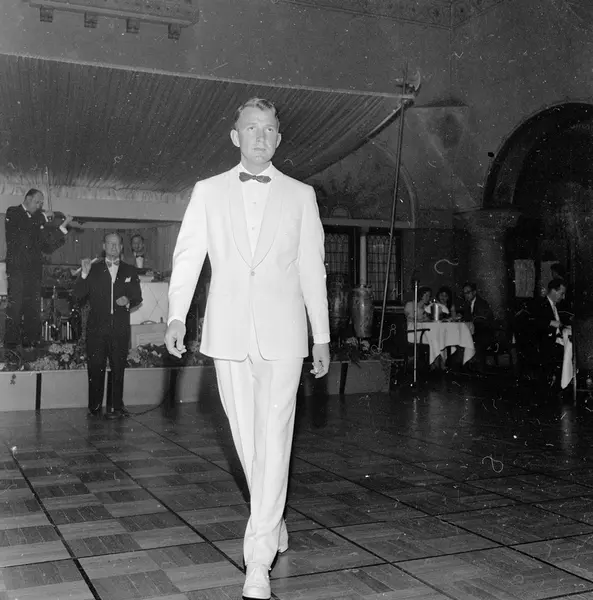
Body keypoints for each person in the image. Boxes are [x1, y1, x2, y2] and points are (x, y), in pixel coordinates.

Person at [164, 97, 330, 600]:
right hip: (229, 333)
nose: (261, 136)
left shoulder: (301, 195)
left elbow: (313, 268)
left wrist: (321, 335)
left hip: (285, 337)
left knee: (275, 438)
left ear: (279, 138)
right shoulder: (208, 191)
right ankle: (271, 520)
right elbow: (188, 256)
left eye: (269, 129)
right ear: (235, 136)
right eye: (251, 128)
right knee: (246, 441)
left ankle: (257, 561)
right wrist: (176, 315)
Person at [73, 233, 142, 419]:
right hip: (96, 329)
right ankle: (94, 408)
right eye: (110, 244)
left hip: (120, 328)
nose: (113, 247)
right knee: (95, 368)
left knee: (119, 368)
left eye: (117, 244)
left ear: (121, 247)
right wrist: (84, 274)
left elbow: (137, 297)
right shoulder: (93, 269)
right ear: (104, 246)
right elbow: (78, 296)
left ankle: (116, 407)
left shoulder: (130, 270)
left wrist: (128, 300)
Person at [4, 189, 73, 348]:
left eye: (42, 203)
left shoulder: (36, 222)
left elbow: (47, 247)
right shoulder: (13, 212)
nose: (40, 205)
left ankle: (31, 346)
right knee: (15, 308)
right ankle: (10, 348)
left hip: (34, 273)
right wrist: (42, 217)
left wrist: (63, 226)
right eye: (38, 202)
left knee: (33, 310)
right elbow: (23, 230)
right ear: (27, 199)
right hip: (17, 271)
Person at [534, 278, 568, 373]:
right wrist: (550, 322)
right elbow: (533, 322)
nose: (563, 297)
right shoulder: (540, 304)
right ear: (553, 291)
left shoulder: (559, 306)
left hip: (557, 343)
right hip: (546, 347)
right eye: (562, 293)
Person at [461, 282, 494, 371]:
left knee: (473, 340)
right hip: (475, 332)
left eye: (468, 292)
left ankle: (477, 368)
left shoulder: (482, 303)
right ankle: (468, 366)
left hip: (484, 333)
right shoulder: (467, 304)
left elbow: (482, 321)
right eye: (464, 293)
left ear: (474, 292)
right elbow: (467, 318)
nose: (466, 295)